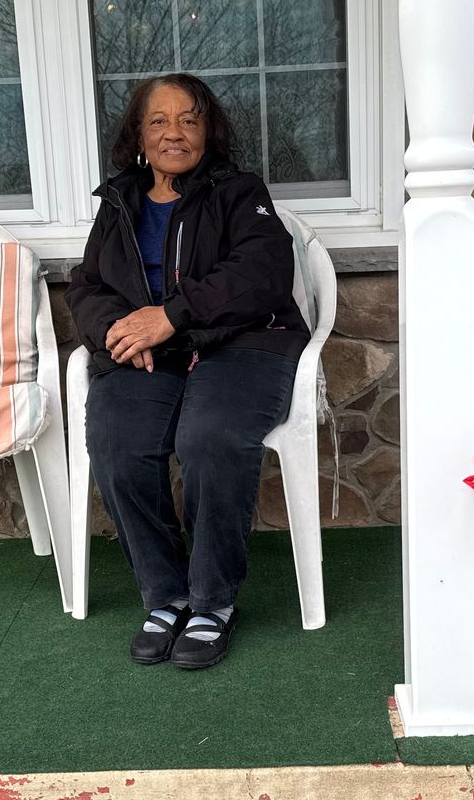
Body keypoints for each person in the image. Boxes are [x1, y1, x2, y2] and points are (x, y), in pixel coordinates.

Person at [66, 73, 309, 670]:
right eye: (159, 121)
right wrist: (119, 332)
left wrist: (170, 317)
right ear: (138, 136)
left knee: (211, 438)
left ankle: (212, 601)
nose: (174, 133)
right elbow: (88, 285)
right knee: (117, 442)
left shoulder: (239, 192)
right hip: (152, 353)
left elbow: (261, 272)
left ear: (208, 132)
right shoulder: (119, 203)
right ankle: (167, 595)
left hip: (243, 342)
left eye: (189, 120)